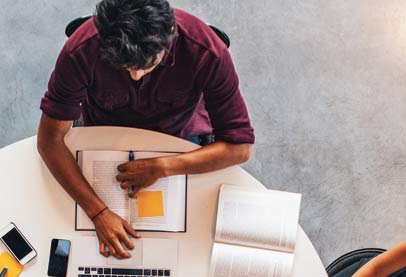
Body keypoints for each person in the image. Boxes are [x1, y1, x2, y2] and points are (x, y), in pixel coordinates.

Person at [37, 0, 255, 259]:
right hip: (102, 134)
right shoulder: (81, 50)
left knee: (181, 244)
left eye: (148, 65)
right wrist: (98, 212)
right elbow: (49, 140)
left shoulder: (207, 52)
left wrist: (164, 167)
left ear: (170, 35)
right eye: (126, 67)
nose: (136, 77)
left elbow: (240, 147)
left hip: (179, 139)